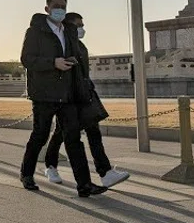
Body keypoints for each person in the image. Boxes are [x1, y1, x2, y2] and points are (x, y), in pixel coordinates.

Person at [19, 0, 107, 197]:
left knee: (74, 139)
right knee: (40, 136)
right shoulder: (35, 31)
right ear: (47, 9)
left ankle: (84, 184)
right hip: (44, 93)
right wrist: (53, 63)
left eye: (63, 6)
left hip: (68, 94)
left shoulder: (69, 31)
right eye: (56, 6)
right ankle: (27, 174)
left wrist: (76, 70)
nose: (60, 9)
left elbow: (76, 55)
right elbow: (27, 59)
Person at [43, 12, 131, 188]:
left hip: (83, 95)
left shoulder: (80, 46)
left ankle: (105, 173)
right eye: (78, 25)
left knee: (94, 132)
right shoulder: (59, 44)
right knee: (61, 133)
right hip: (66, 98)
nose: (82, 29)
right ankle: (50, 166)